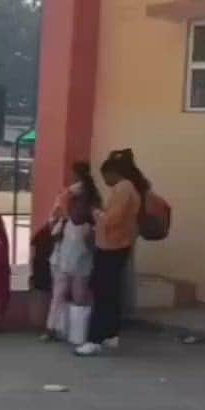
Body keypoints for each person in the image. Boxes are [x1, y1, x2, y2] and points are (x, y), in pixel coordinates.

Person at [76, 149, 147, 356]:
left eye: (106, 175)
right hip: (117, 245)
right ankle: (110, 334)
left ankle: (94, 339)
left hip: (111, 246)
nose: (105, 180)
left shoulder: (124, 188)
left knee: (102, 293)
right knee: (111, 293)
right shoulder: (128, 188)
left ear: (114, 172)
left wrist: (96, 212)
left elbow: (112, 219)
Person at [45, 194, 95, 344]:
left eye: (82, 207)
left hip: (81, 267)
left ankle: (77, 331)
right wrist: (56, 226)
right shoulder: (64, 223)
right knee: (58, 296)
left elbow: (92, 248)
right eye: (75, 207)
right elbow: (54, 238)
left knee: (79, 297)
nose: (78, 211)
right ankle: (52, 328)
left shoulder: (89, 228)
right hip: (62, 265)